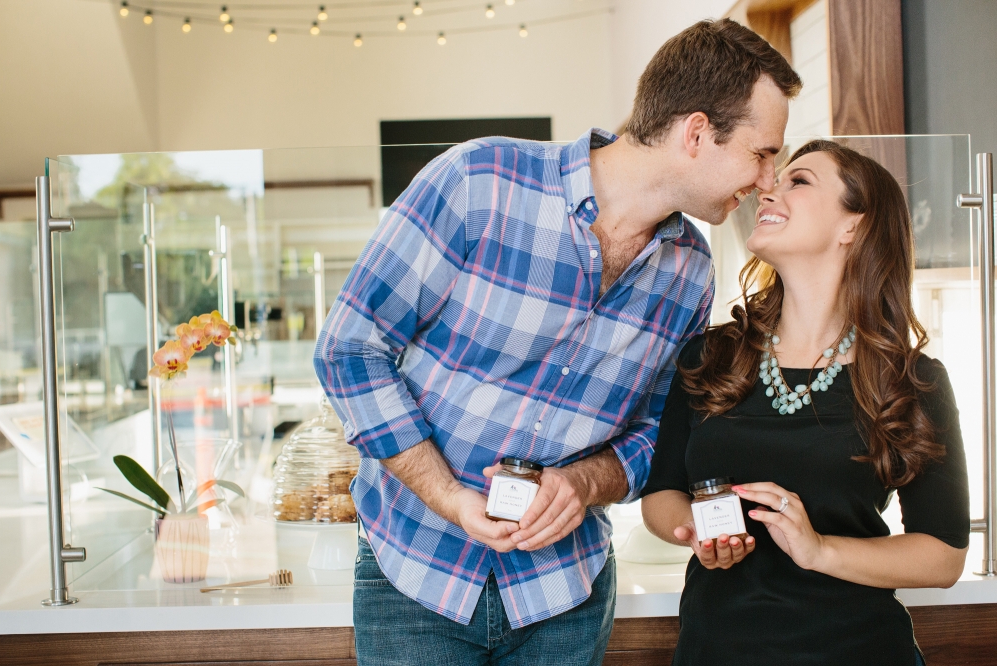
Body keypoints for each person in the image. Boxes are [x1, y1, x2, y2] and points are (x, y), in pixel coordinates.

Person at [315, 19, 800, 666]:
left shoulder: (690, 271)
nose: (768, 179)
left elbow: (656, 433)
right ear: (695, 133)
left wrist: (581, 482)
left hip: (564, 597)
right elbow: (349, 349)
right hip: (415, 576)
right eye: (763, 153)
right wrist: (451, 498)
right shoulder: (478, 183)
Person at [640, 140, 971, 666]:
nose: (768, 188)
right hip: (715, 652)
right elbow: (661, 496)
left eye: (800, 180)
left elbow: (944, 556)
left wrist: (819, 550)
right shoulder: (709, 355)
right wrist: (697, 530)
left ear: (853, 227)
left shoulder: (912, 382)